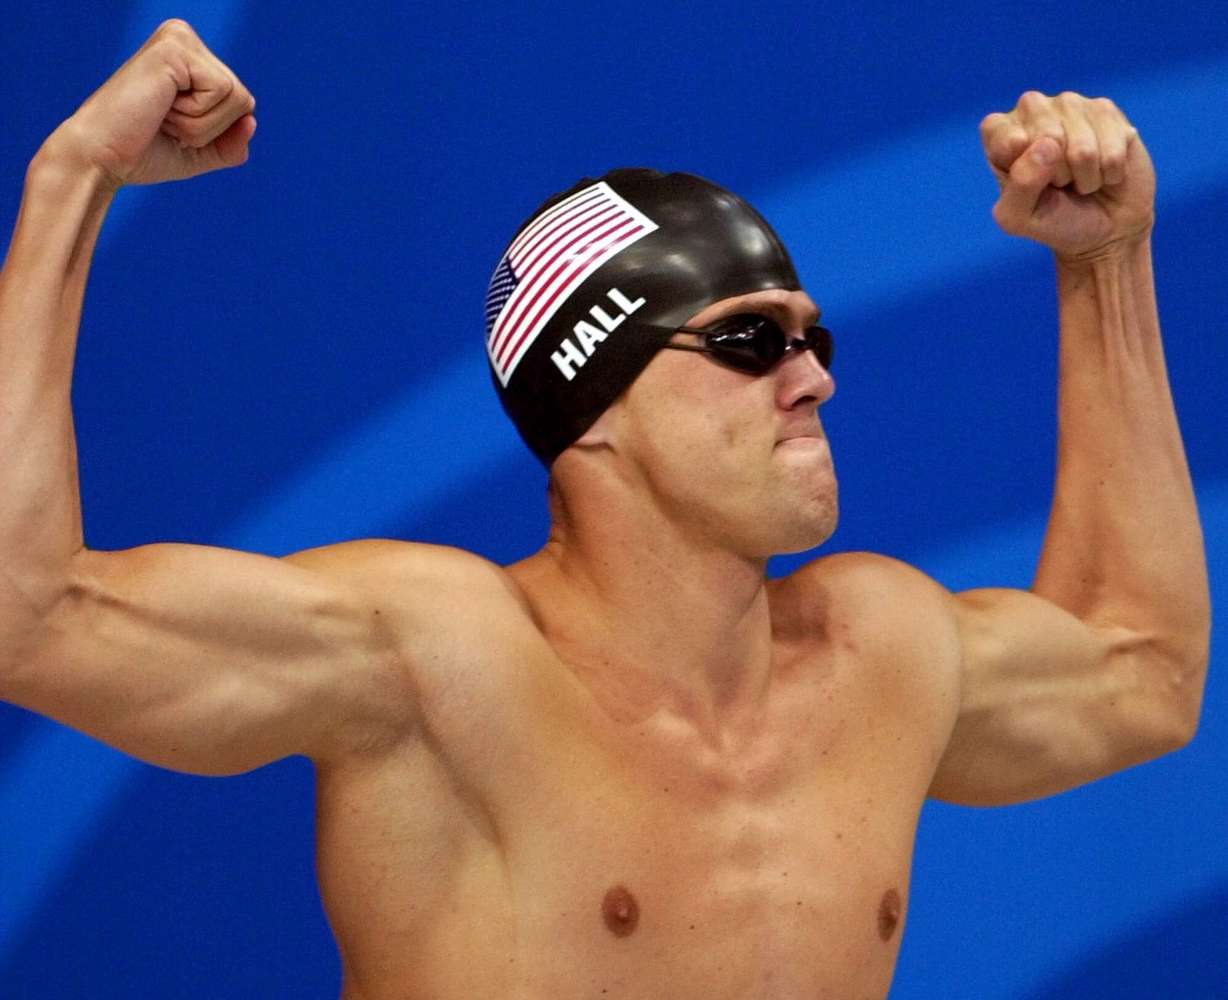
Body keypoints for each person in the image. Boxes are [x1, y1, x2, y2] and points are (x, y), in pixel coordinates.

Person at [0, 18, 1210, 1000]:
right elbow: (28, 615)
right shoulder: (434, 662)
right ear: (591, 409)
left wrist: (1105, 260)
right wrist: (73, 178)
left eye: (811, 338)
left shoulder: (877, 653)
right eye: (750, 340)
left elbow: (1145, 670)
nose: (814, 378)